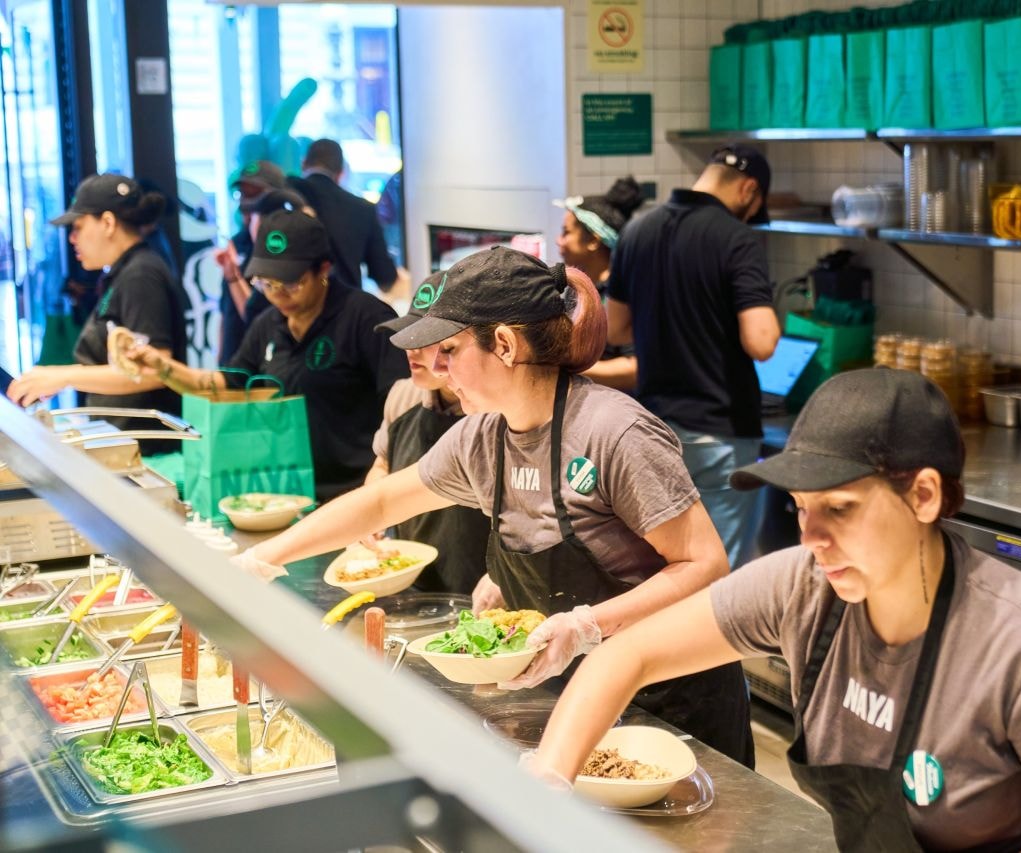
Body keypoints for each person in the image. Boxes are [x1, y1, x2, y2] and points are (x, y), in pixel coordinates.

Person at [528, 368, 1021, 851]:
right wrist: (545, 791)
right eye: (799, 507)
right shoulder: (804, 588)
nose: (812, 537)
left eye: (839, 508)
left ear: (923, 496)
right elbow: (627, 656)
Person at [232, 246, 754, 767]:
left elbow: (705, 565)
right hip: (575, 700)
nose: (437, 369)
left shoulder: (612, 432)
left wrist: (588, 625)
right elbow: (382, 501)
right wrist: (264, 559)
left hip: (671, 708)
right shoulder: (482, 437)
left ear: (504, 344)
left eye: (450, 351)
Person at [126, 207, 407, 502]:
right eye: (265, 283)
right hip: (282, 493)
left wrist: (383, 479)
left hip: (354, 494)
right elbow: (222, 385)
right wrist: (162, 367)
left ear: (323, 269)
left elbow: (404, 408)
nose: (277, 295)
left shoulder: (366, 319)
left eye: (290, 284)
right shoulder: (268, 324)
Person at [607, 144, 781, 568]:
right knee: (718, 576)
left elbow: (614, 327)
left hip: (654, 433)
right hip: (719, 432)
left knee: (671, 570)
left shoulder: (637, 232)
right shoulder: (738, 240)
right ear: (749, 190)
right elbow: (762, 341)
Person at [8, 174, 188, 441]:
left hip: (148, 448)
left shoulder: (142, 274)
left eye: (78, 226)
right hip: (122, 440)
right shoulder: (122, 274)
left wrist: (64, 377)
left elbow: (155, 372)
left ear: (107, 223)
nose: (72, 238)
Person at [365, 272, 489, 594]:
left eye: (426, 340)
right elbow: (383, 464)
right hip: (414, 584)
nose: (410, 350)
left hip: (486, 589)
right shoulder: (402, 395)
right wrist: (370, 518)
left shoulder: (497, 411)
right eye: (408, 336)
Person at [553, 177, 645, 391]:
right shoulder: (575, 289)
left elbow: (634, 369)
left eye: (566, 232)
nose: (559, 241)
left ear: (594, 241)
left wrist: (564, 369)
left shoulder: (623, 293)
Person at [216, 186, 311, 363]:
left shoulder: (298, 259)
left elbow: (254, 313)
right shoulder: (238, 245)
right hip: (249, 362)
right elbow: (236, 313)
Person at [289, 138, 398, 293]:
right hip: (346, 308)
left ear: (304, 163)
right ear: (341, 173)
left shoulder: (285, 197)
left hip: (290, 304)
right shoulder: (362, 209)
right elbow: (386, 278)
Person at [215, 160, 288, 362]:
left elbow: (259, 314)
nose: (246, 201)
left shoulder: (282, 248)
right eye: (243, 193)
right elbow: (225, 311)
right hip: (232, 361)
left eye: (254, 192)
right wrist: (220, 360)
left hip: (261, 364)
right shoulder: (237, 243)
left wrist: (233, 277)